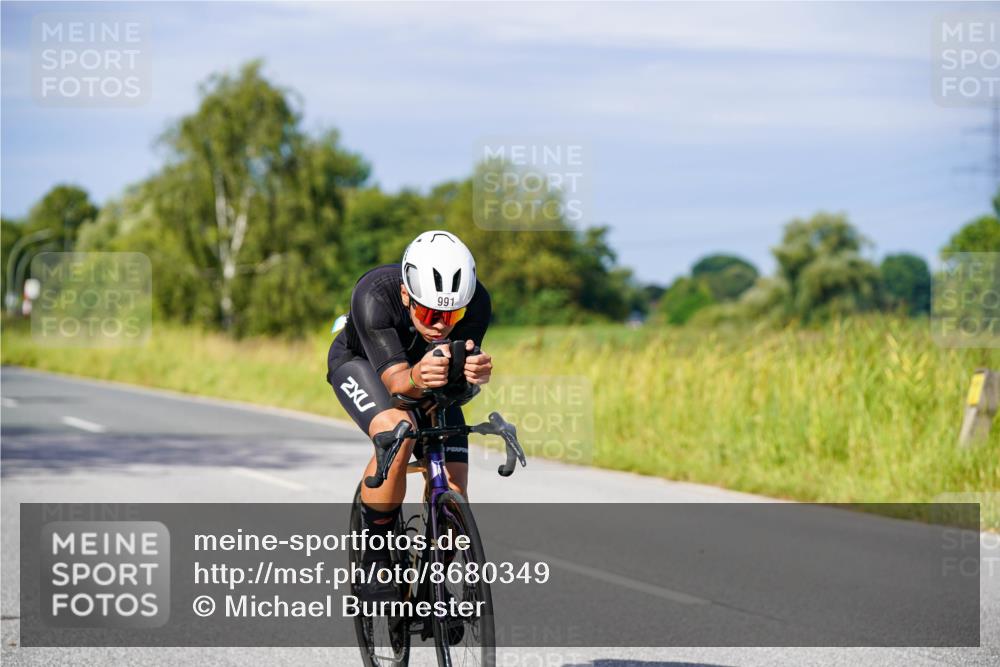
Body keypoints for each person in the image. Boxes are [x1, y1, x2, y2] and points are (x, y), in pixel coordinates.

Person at [326, 230, 493, 599]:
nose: (441, 324)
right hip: (364, 364)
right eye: (430, 312)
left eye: (453, 314)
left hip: (425, 372)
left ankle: (432, 583)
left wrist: (473, 374)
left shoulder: (478, 301)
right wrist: (419, 376)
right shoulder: (374, 294)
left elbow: (456, 378)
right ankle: (374, 559)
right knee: (398, 430)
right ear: (406, 294)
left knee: (454, 486)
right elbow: (399, 385)